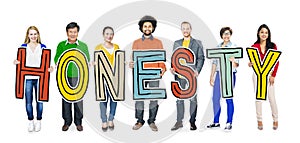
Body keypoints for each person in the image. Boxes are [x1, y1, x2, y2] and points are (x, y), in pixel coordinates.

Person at [129, 15, 167, 132]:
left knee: (154, 98)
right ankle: (139, 120)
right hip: (140, 75)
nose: (147, 28)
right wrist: (131, 64)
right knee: (139, 98)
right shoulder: (136, 43)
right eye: (145, 26)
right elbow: (133, 58)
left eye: (149, 26)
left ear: (153, 28)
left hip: (154, 74)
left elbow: (161, 59)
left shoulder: (158, 42)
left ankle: (152, 121)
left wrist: (162, 69)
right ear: (141, 27)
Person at [13, 26, 53, 132]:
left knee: (40, 101)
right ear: (28, 35)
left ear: (38, 35)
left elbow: (47, 61)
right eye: (31, 34)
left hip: (41, 78)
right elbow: (19, 60)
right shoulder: (23, 47)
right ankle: (30, 121)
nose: (33, 36)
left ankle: (39, 121)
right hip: (28, 78)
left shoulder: (43, 47)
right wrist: (16, 62)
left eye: (35, 34)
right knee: (28, 101)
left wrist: (51, 68)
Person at [54, 22, 91, 132]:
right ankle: (67, 121)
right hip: (65, 76)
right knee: (66, 99)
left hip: (79, 77)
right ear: (67, 33)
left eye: (75, 32)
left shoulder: (83, 45)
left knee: (78, 100)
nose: (73, 34)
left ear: (77, 33)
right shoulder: (61, 45)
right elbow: (57, 58)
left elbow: (87, 59)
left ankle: (78, 122)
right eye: (70, 32)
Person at [170, 21, 205, 131]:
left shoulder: (197, 43)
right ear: (181, 30)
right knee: (179, 100)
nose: (185, 30)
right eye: (183, 28)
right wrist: (172, 68)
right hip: (180, 76)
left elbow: (201, 58)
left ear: (191, 29)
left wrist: (197, 70)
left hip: (191, 76)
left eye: (187, 28)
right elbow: (173, 58)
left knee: (193, 99)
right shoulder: (176, 43)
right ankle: (179, 121)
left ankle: (192, 122)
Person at [206, 27, 238, 131]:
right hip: (219, 74)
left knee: (228, 98)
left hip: (229, 74)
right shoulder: (218, 47)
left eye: (228, 34)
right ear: (221, 35)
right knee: (215, 98)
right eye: (224, 34)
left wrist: (233, 61)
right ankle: (216, 122)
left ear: (230, 35)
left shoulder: (234, 47)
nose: (226, 36)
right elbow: (214, 63)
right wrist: (211, 76)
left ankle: (229, 122)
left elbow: (237, 64)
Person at [248, 24, 279, 130]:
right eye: (262, 32)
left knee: (271, 98)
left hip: (268, 74)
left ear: (268, 34)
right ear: (258, 33)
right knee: (259, 97)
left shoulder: (273, 46)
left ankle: (275, 119)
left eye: (266, 32)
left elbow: (276, 62)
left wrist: (273, 75)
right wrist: (250, 64)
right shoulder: (254, 46)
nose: (264, 34)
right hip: (257, 75)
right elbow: (253, 61)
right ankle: (259, 120)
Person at [94, 26, 119, 132]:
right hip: (103, 79)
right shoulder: (98, 47)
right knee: (103, 100)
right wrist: (93, 63)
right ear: (103, 35)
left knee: (114, 99)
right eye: (107, 34)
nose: (109, 36)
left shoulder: (117, 46)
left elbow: (119, 60)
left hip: (114, 78)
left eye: (111, 34)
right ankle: (104, 120)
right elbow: (97, 62)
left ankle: (111, 119)